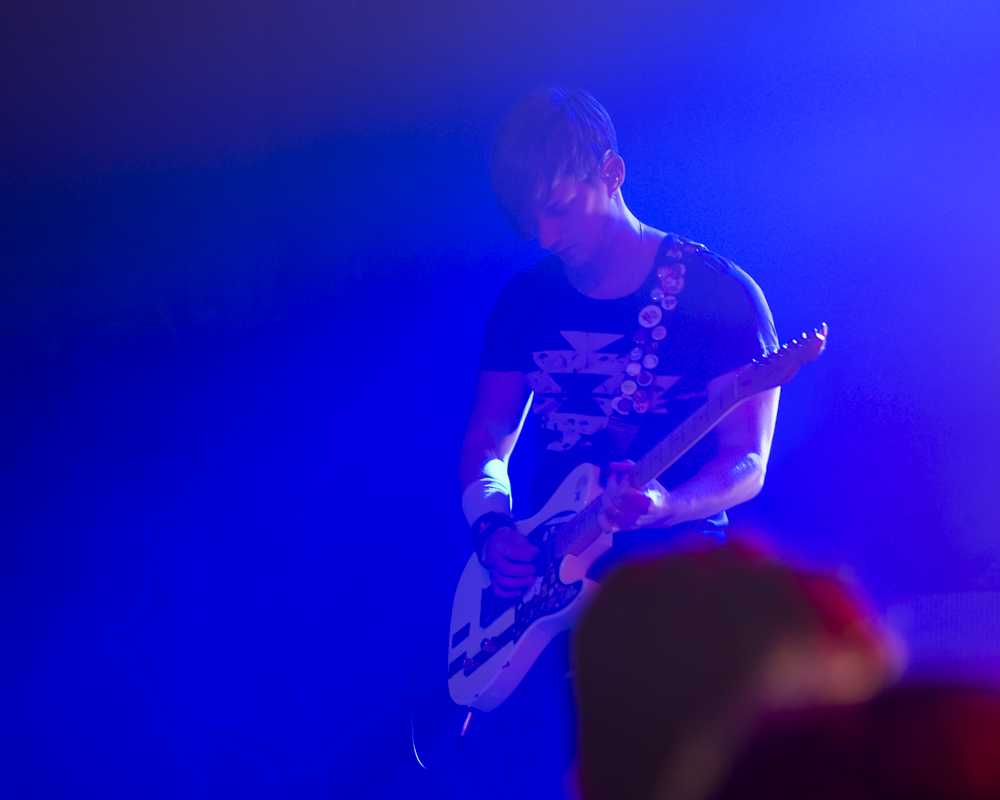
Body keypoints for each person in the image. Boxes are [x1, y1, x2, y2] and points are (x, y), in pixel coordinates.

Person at [456, 85, 779, 797]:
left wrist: (667, 505)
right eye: (526, 216)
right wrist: (491, 527)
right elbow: (488, 439)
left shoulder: (720, 297)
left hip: (678, 595)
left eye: (558, 207)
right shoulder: (524, 300)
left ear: (612, 172)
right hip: (546, 586)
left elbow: (747, 461)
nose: (543, 235)